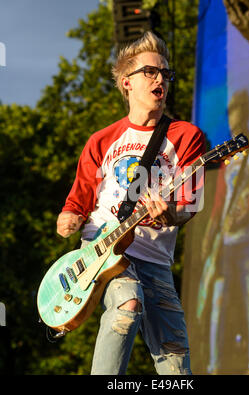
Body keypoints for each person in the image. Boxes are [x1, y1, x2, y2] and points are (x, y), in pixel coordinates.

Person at [56, 31, 205, 375]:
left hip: (156, 260)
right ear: (127, 83)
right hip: (103, 253)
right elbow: (76, 203)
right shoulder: (101, 140)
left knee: (176, 362)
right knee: (127, 302)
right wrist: (68, 220)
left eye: (166, 74)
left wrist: (170, 215)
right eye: (151, 72)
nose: (161, 80)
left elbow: (188, 207)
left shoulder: (186, 137)